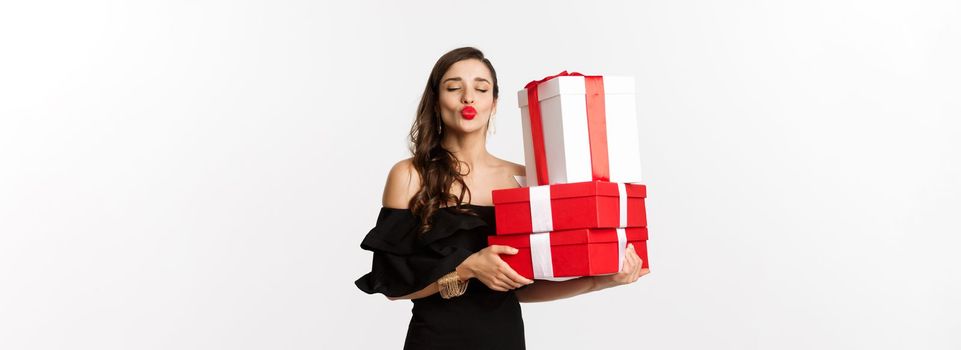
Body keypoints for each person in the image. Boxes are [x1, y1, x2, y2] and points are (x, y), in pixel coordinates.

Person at [355, 47, 650, 350]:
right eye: (454, 87)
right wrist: (465, 269)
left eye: (481, 88)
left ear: (494, 103)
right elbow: (392, 285)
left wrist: (602, 280)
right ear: (435, 100)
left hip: (505, 339)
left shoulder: (523, 180)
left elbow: (522, 287)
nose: (468, 97)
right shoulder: (408, 176)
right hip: (433, 339)